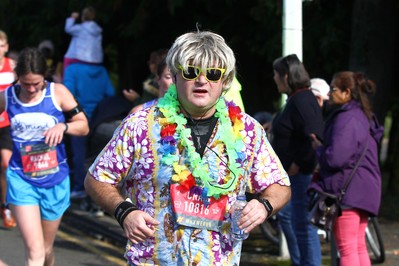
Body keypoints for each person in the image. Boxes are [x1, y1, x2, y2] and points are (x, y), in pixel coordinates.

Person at [84, 30, 291, 265]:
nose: (202, 81)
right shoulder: (140, 125)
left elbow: (280, 186)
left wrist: (264, 205)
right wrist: (124, 212)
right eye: (191, 72)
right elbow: (97, 179)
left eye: (213, 74)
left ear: (225, 81)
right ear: (174, 75)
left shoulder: (247, 131)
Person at [0, 47, 89, 265]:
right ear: (17, 78)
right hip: (21, 179)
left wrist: (64, 127)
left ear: (44, 77)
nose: (30, 89)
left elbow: (83, 126)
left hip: (55, 180)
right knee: (35, 251)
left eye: (36, 83)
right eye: (25, 83)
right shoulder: (7, 96)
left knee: (46, 250)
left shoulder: (57, 92)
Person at [310, 71, 383, 266]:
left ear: (347, 92)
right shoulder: (363, 116)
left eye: (333, 89)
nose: (330, 94)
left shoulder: (347, 118)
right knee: (358, 246)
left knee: (348, 247)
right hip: (364, 189)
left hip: (347, 192)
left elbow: (335, 158)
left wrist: (319, 149)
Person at [271, 54, 324, 265]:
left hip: (301, 176)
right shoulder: (297, 98)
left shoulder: (302, 100)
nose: (274, 78)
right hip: (295, 175)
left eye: (276, 74)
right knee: (289, 219)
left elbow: (316, 136)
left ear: (286, 76)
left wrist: (300, 163)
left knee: (303, 226)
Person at [63, 62, 115, 199]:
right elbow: (110, 92)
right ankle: (96, 192)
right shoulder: (102, 70)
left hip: (79, 117)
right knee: (97, 155)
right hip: (99, 120)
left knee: (79, 154)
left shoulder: (72, 69)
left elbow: (67, 92)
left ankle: (80, 187)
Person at [0, 30, 16, 228]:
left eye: (1, 45)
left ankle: (6, 207)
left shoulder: (12, 67)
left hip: (6, 123)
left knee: (6, 164)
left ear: (6, 47)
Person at [63, 6, 103, 72]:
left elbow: (68, 29)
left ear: (83, 17)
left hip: (77, 59)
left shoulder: (80, 28)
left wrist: (72, 18)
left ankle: (66, 81)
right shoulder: (98, 31)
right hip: (95, 60)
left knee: (68, 58)